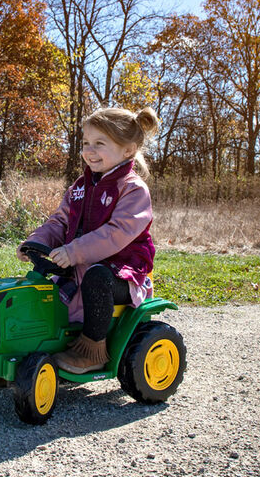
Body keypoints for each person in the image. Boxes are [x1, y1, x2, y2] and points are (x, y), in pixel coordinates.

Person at [18, 106, 159, 374]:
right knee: (40, 292)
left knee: (97, 277)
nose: (89, 150)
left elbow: (116, 233)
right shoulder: (80, 187)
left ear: (127, 150)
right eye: (85, 143)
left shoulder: (133, 189)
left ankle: (93, 350)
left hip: (120, 273)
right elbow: (60, 221)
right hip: (79, 265)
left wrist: (74, 251)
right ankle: (25, 349)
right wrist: (36, 241)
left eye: (99, 144)